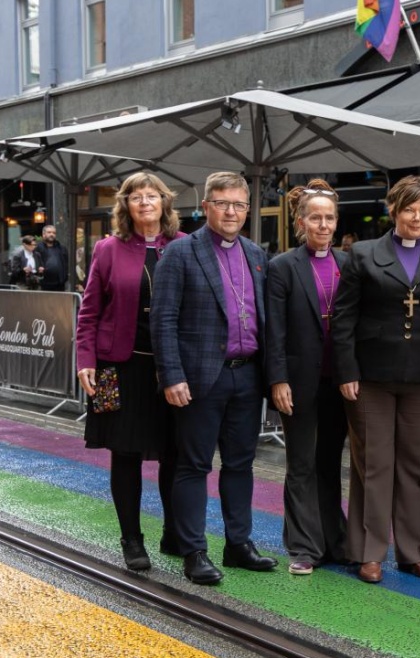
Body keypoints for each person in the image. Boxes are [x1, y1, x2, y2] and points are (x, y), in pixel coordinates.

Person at [151, 171, 279, 585]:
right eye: (222, 202)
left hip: (247, 379)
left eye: (239, 204)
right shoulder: (180, 252)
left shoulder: (256, 254)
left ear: (247, 209)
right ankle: (193, 550)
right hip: (199, 379)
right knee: (193, 465)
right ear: (205, 206)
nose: (231, 211)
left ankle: (238, 544)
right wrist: (171, 375)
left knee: (241, 465)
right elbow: (163, 319)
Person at [331, 175, 420, 585]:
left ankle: (415, 551)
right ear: (394, 211)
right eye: (410, 210)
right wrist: (346, 370)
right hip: (370, 377)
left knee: (417, 465)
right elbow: (343, 317)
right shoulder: (363, 254)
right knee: (373, 464)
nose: (417, 218)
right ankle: (369, 552)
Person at [76, 173, 184, 571]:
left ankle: (176, 532)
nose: (144, 202)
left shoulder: (184, 246)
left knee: (175, 452)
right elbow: (88, 311)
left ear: (164, 202)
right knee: (125, 454)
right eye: (135, 197)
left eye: (151, 195)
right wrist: (84, 359)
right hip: (118, 366)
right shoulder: (107, 248)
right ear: (125, 205)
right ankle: (132, 539)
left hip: (172, 367)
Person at [265, 179, 348, 577]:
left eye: (329, 218)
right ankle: (302, 546)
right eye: (315, 217)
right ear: (301, 221)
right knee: (301, 464)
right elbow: (274, 331)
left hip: (339, 380)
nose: (323, 225)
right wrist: (277, 379)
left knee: (330, 463)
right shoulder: (283, 266)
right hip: (297, 381)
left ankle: (334, 540)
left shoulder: (348, 264)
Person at [35, 224, 69, 291]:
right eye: (49, 232)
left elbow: (66, 264)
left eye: (54, 233)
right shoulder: (37, 248)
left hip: (59, 284)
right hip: (43, 284)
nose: (52, 234)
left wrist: (65, 278)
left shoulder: (61, 248)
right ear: (43, 234)